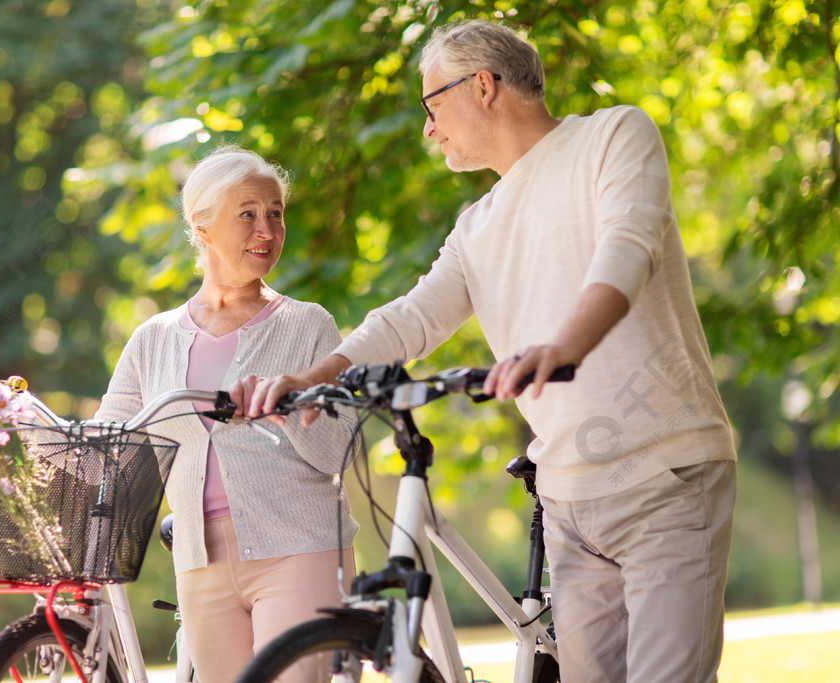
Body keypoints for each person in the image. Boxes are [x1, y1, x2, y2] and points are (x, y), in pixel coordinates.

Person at [235, 19, 737, 683]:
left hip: (666, 478)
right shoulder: (478, 225)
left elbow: (629, 247)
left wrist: (564, 345)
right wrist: (318, 374)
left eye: (431, 105)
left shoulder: (612, 135)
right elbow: (412, 315)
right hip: (568, 504)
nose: (428, 129)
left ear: (483, 86)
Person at [94, 146, 359, 682]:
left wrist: (286, 407)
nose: (267, 229)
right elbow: (107, 441)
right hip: (199, 563)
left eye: (275, 213)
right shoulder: (154, 339)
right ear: (203, 225)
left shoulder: (307, 325)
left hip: (299, 549)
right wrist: (13, 417)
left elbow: (339, 451)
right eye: (248, 213)